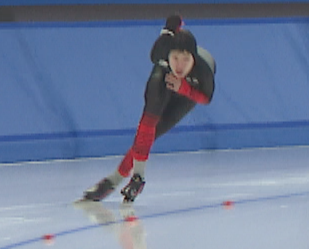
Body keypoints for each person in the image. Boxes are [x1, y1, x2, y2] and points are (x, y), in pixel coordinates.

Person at [82, 16, 217, 204]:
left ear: (194, 59)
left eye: (185, 60)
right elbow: (146, 125)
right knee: (148, 129)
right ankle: (122, 179)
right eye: (175, 58)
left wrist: (185, 88)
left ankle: (114, 179)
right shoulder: (159, 55)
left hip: (190, 92)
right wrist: (139, 175)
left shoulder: (203, 71)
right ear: (167, 56)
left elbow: (206, 99)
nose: (179, 66)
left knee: (157, 131)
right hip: (165, 81)